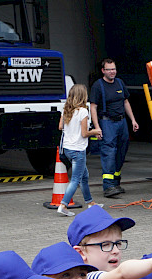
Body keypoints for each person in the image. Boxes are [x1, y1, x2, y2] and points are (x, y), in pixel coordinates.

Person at [89, 59, 140, 199]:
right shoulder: (98, 86)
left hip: (122, 122)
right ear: (103, 70)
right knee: (109, 153)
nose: (112, 72)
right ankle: (108, 186)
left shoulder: (119, 83)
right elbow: (93, 107)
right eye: (109, 69)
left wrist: (133, 120)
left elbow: (125, 102)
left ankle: (116, 183)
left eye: (114, 69)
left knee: (121, 152)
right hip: (107, 123)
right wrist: (97, 127)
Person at [56, 84, 102, 216]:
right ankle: (63, 205)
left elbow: (60, 127)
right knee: (76, 179)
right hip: (78, 149)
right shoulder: (83, 111)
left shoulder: (66, 109)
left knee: (84, 176)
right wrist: (96, 131)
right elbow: (84, 133)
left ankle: (90, 203)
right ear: (83, 96)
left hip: (68, 148)